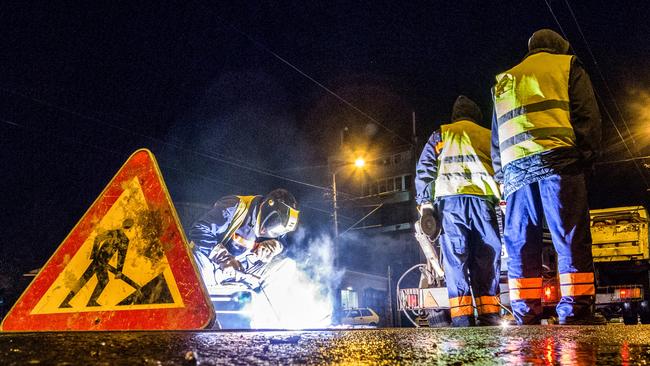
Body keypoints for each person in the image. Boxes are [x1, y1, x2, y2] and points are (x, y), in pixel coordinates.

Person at [491, 29, 603, 325]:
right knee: (569, 235)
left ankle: (526, 312)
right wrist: (587, 157)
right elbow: (586, 116)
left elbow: (496, 137)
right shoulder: (567, 66)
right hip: (559, 162)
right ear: (559, 47)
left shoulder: (505, 81)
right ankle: (575, 310)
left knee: (520, 243)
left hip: (515, 174)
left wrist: (501, 176)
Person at [416, 95, 503, 327]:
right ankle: (489, 316)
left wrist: (426, 206)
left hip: (450, 206)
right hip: (483, 203)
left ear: (455, 116)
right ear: (477, 116)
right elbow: (501, 167)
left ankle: (462, 319)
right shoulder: (487, 135)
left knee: (455, 262)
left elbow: (425, 170)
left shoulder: (441, 134)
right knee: (487, 258)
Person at [188, 189, 299, 290]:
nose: (267, 233)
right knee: (195, 267)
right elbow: (199, 230)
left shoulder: (277, 228)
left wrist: (275, 246)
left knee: (287, 265)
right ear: (267, 207)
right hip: (209, 263)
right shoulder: (234, 205)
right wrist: (224, 258)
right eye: (270, 227)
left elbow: (284, 243)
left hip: (239, 271)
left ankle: (259, 306)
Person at [60, 218, 134, 308]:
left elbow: (98, 238)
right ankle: (91, 302)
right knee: (104, 281)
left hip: (98, 260)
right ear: (131, 228)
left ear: (123, 224)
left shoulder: (114, 232)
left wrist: (94, 255)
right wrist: (118, 271)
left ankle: (65, 301)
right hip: (102, 262)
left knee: (84, 279)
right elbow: (121, 257)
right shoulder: (124, 239)